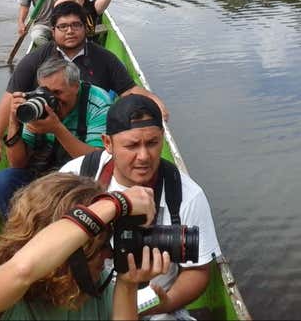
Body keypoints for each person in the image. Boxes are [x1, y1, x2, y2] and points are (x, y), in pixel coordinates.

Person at [60, 95, 221, 320]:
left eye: (153, 143)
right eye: (132, 145)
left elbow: (198, 270)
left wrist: (166, 303)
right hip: (84, 300)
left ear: (163, 138)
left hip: (153, 306)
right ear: (108, 143)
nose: (144, 156)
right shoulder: (76, 176)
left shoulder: (186, 195)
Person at [0, 172, 171, 320]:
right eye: (98, 246)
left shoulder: (94, 289)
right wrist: (115, 204)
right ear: (68, 248)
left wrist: (127, 285)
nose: (108, 254)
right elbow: (23, 269)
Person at [0, 1, 169, 162]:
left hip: (92, 126)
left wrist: (155, 102)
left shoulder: (104, 58)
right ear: (53, 30)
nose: (70, 31)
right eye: (63, 27)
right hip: (45, 129)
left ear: (86, 28)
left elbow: (128, 90)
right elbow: (11, 96)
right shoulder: (34, 60)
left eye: (76, 25)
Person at [0, 56, 113, 218]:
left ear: (76, 86)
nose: (51, 99)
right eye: (46, 92)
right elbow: (18, 163)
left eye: (57, 93)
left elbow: (99, 162)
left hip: (81, 179)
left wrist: (57, 129)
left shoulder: (97, 102)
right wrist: (14, 123)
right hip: (43, 173)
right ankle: (22, 230)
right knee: (4, 180)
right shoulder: (36, 103)